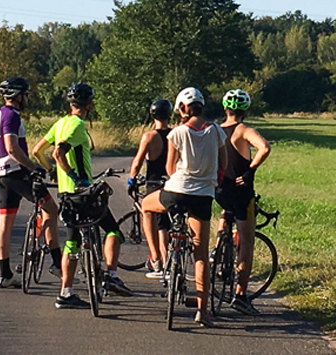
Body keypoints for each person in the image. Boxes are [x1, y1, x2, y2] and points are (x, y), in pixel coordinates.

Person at [31, 82, 132, 308]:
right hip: (83, 192)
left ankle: (66, 292)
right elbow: (59, 153)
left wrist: (52, 172)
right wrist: (74, 176)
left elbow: (37, 150)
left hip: (66, 195)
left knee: (72, 242)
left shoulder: (60, 123)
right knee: (113, 230)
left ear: (70, 103)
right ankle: (113, 275)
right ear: (89, 104)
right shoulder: (77, 125)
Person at [141, 87, 228, 327]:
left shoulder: (177, 132)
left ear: (182, 109)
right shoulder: (217, 130)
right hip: (203, 196)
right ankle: (202, 311)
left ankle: (157, 259)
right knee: (200, 254)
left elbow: (170, 168)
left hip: (176, 191)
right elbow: (224, 162)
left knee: (146, 206)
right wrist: (213, 180)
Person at [0, 76, 61, 289]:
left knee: (4, 224)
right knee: (51, 209)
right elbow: (12, 148)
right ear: (17, 95)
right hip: (16, 173)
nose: (27, 98)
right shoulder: (11, 116)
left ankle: (5, 274)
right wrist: (33, 166)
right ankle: (57, 264)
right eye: (25, 94)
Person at [215, 88, 271, 315]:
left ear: (225, 108)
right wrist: (249, 169)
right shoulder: (243, 130)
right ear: (245, 110)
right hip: (242, 191)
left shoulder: (216, 130)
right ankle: (240, 294)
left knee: (224, 214)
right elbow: (265, 148)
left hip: (219, 189)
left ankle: (217, 247)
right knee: (246, 242)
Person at [127, 98, 172, 279]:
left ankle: (155, 259)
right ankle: (168, 260)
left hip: (153, 184)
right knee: (164, 225)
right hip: (171, 182)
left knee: (149, 214)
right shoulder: (175, 134)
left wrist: (131, 178)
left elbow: (138, 161)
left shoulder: (150, 137)